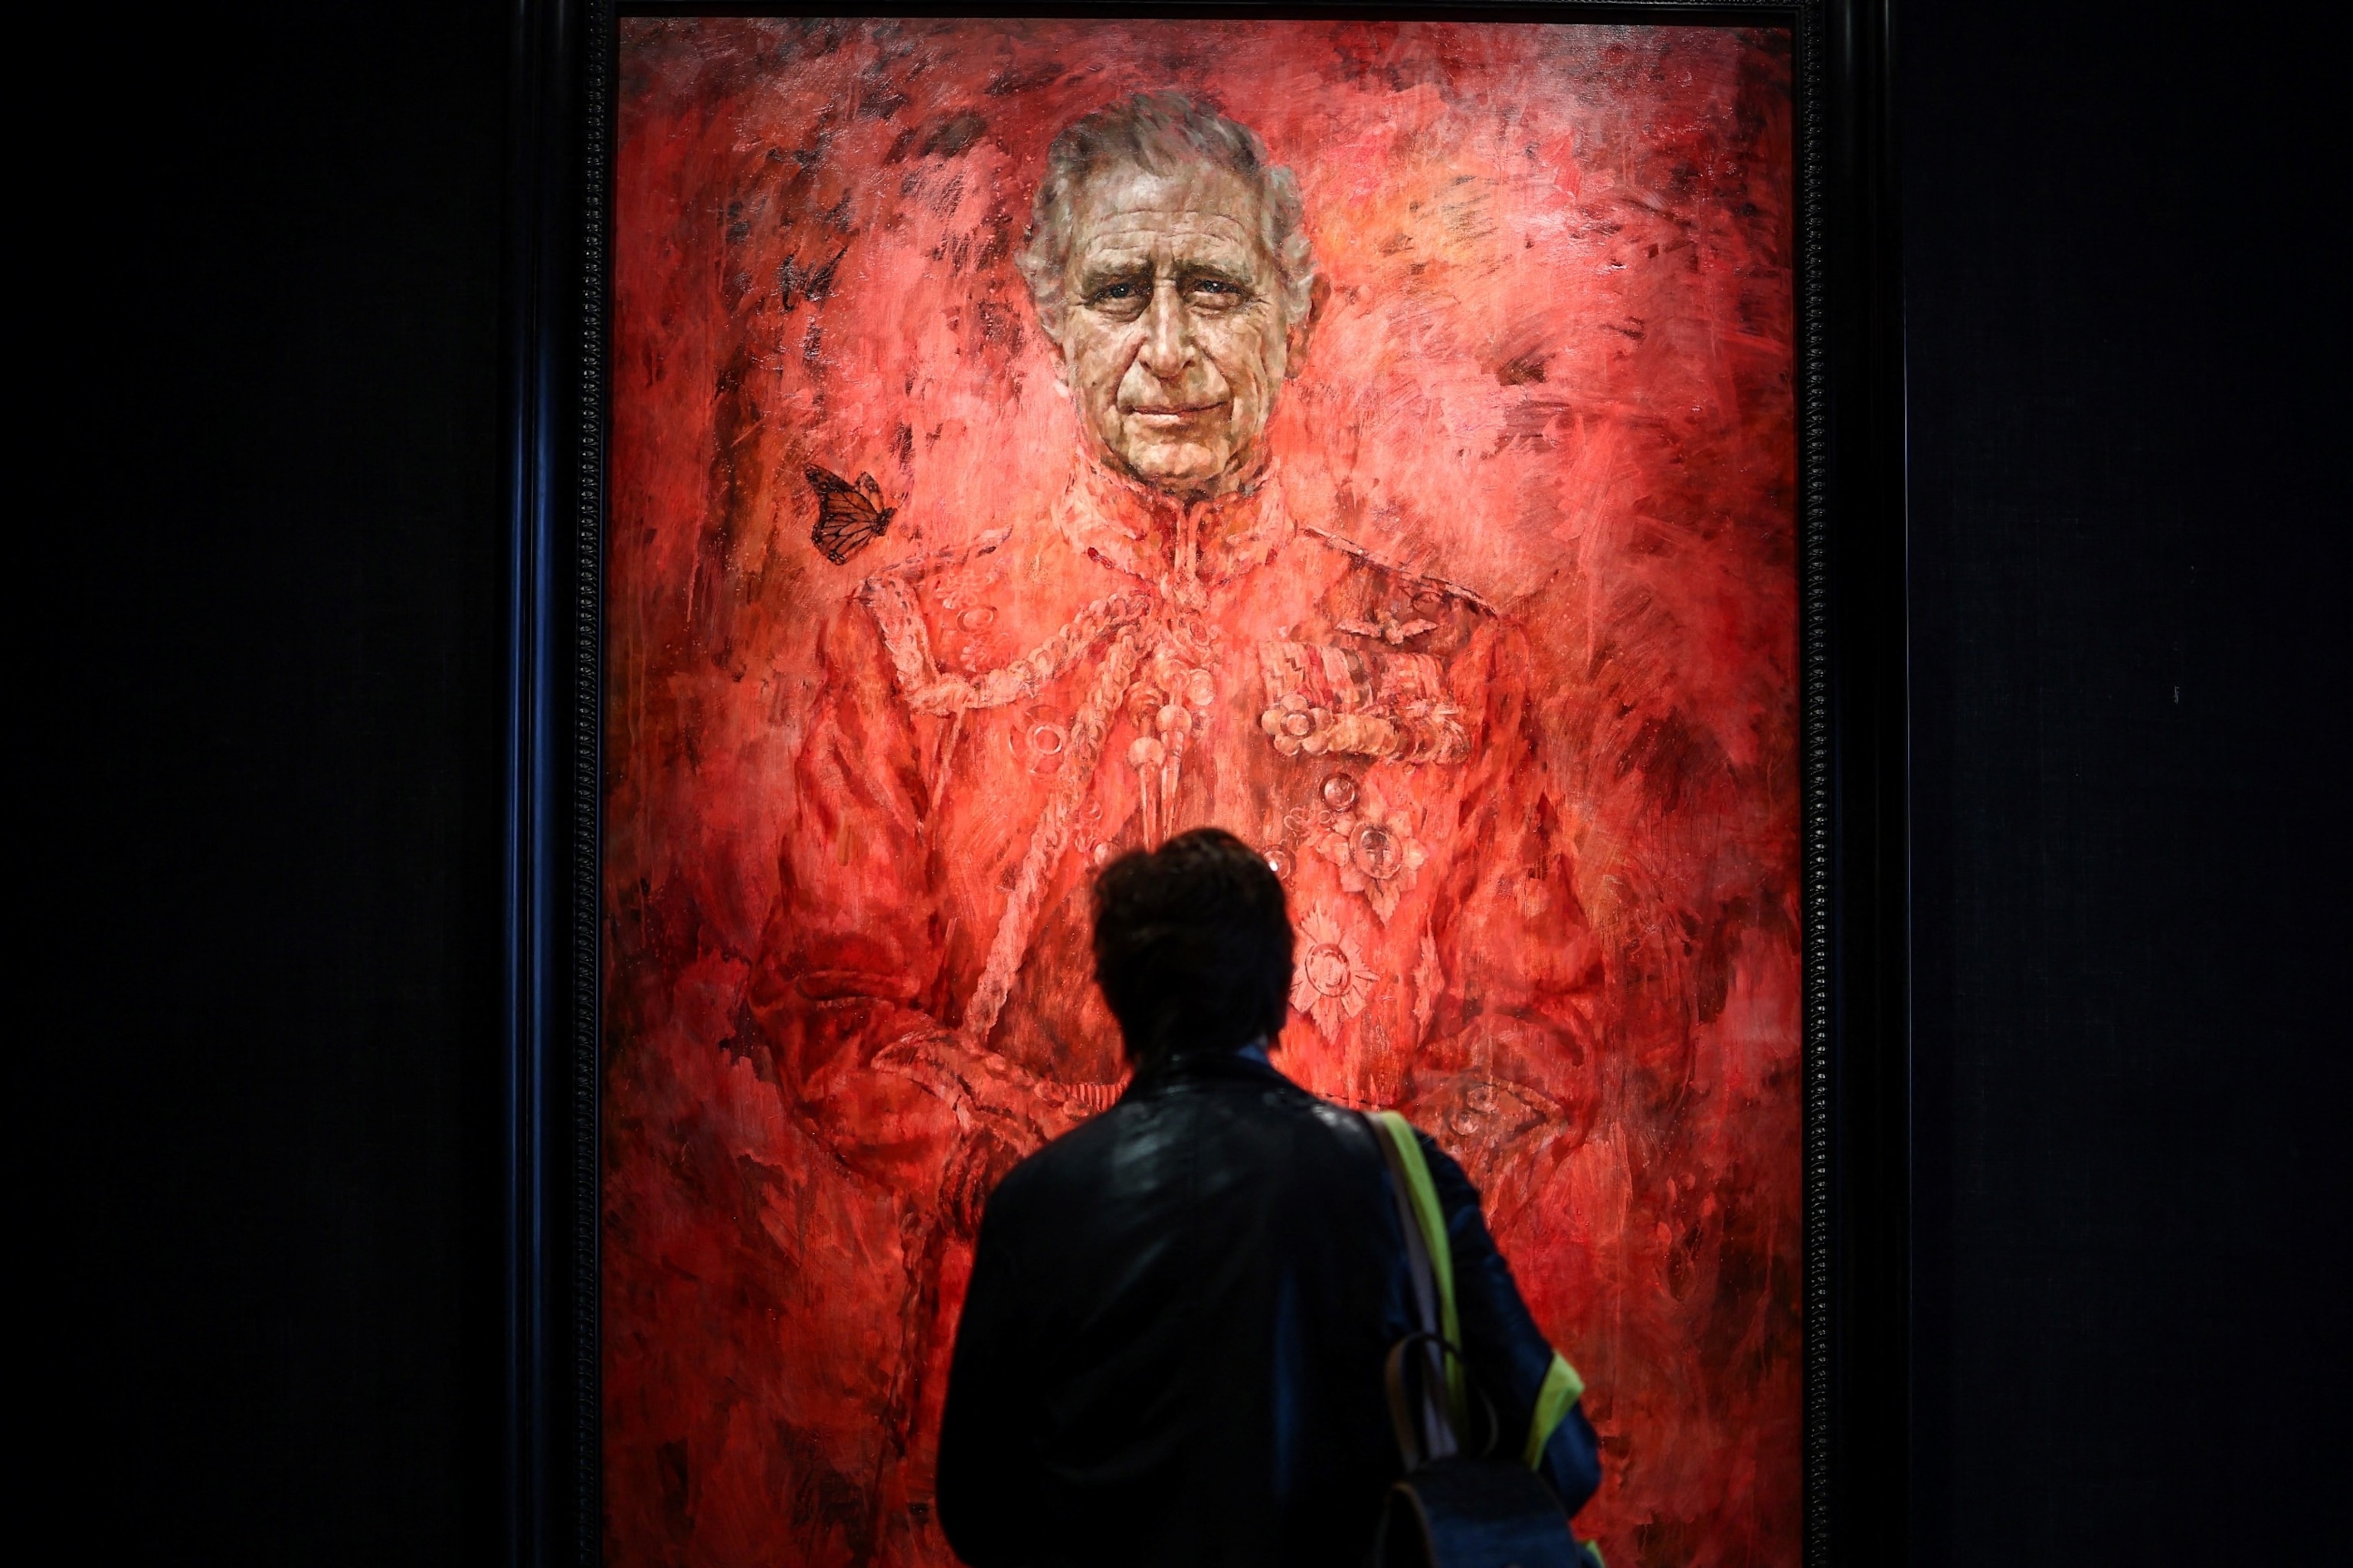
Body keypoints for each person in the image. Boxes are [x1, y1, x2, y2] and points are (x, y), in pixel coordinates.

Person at [755, 92, 1604, 1550]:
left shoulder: (1453, 657)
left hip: (1351, 1405)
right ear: (1051, 317)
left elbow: (1541, 1029)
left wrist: (1330, 1209)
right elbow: (830, 1005)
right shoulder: (906, 644)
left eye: (1210, 288)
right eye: (1118, 291)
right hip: (1062, 1388)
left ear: (1293, 306)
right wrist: (1076, 1172)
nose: (1166, 349)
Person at [934, 828, 1599, 1567]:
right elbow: (1564, 1458)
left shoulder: (1034, 1203)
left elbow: (977, 1509)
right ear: (1284, 987)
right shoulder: (1401, 1178)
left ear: (1114, 993)